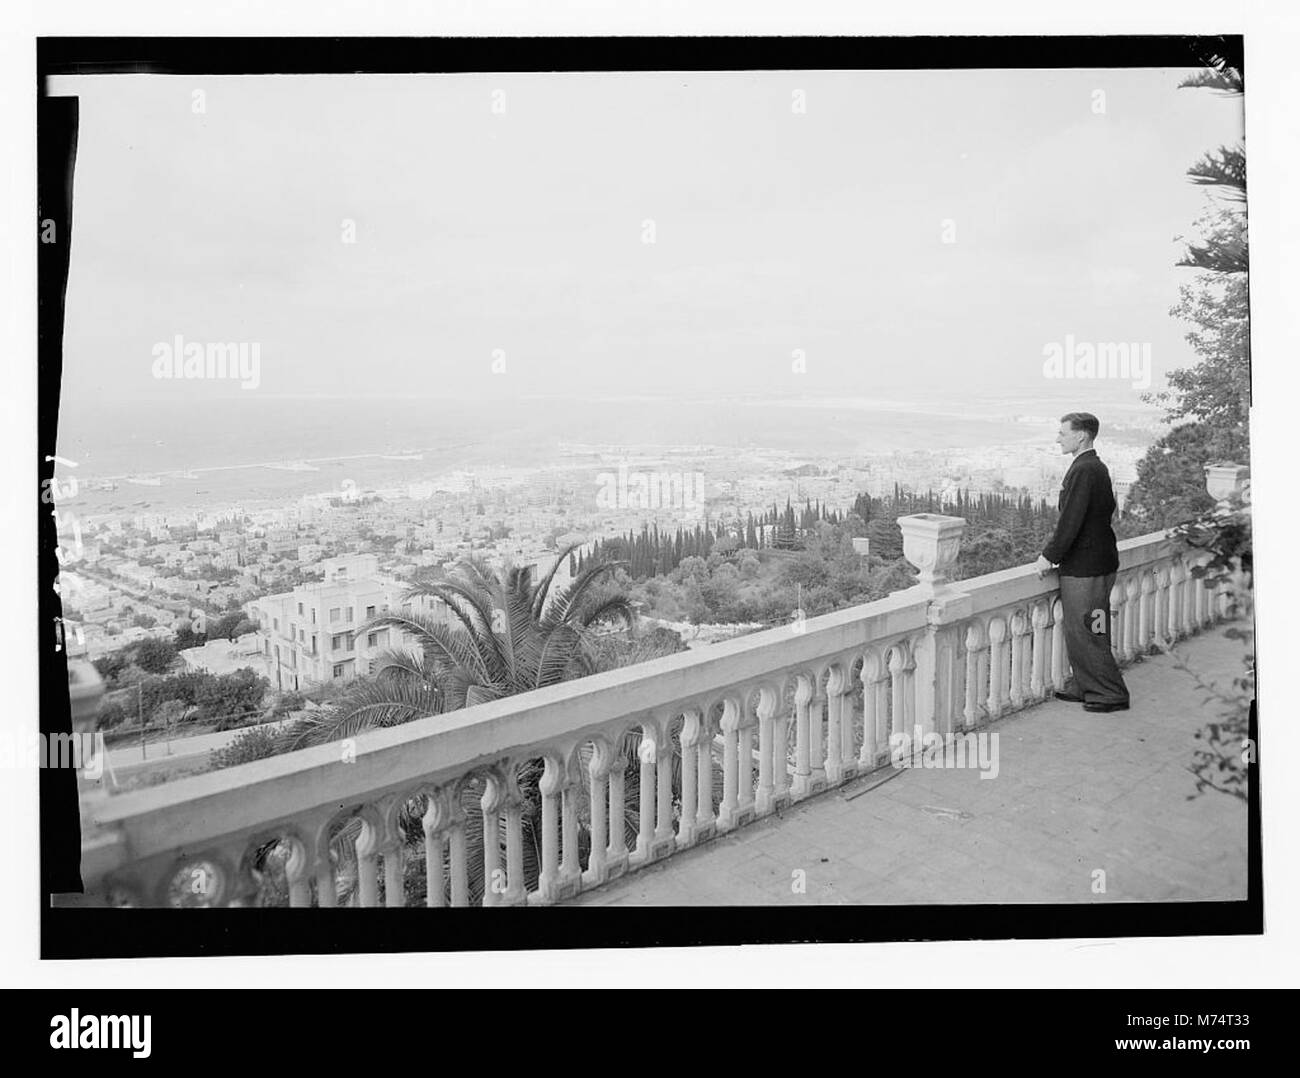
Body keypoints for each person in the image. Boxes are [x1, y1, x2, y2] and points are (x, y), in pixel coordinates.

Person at [1034, 412, 1130, 713]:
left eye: (1063, 433)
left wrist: (1049, 555)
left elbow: (1071, 521)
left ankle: (1109, 692)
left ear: (1082, 436)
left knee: (1088, 629)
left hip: (1086, 568)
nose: (1058, 438)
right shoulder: (1095, 467)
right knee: (1090, 628)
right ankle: (1086, 684)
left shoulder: (1084, 470)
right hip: (1099, 563)